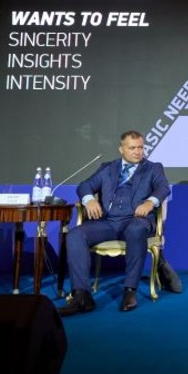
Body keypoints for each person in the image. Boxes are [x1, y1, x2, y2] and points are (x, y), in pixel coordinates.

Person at [59, 130, 170, 316]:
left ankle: (130, 291)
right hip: (108, 222)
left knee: (136, 230)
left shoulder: (153, 168)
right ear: (121, 149)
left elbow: (163, 188)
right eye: (132, 148)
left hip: (137, 221)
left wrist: (150, 202)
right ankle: (82, 296)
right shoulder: (107, 168)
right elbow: (85, 185)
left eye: (141, 147)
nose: (138, 152)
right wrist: (89, 200)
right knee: (75, 235)